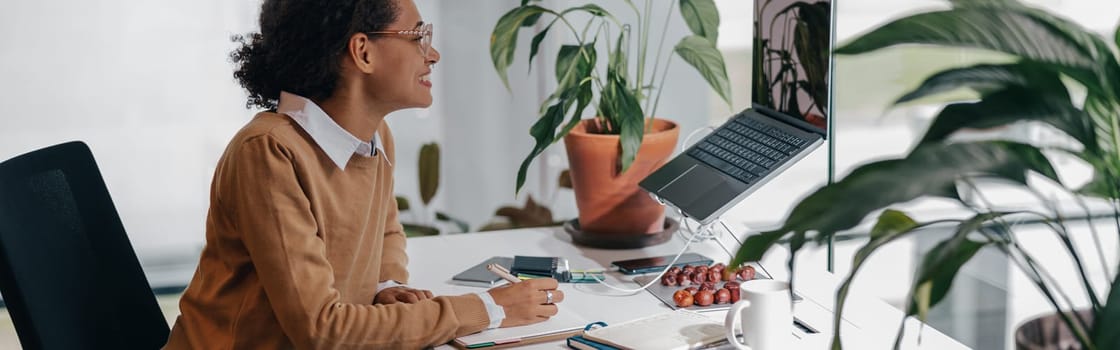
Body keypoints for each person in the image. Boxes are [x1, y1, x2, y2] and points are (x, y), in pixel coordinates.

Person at [163, 0, 564, 348]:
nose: (433, 53)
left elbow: (385, 231)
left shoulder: (373, 135)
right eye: (418, 36)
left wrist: (386, 287)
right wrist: (488, 308)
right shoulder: (269, 152)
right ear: (363, 52)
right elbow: (321, 330)